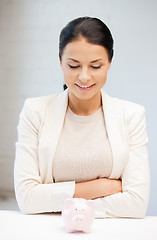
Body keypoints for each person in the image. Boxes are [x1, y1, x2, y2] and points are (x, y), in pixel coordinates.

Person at [14, 16, 150, 218]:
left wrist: (57, 201)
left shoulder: (131, 116)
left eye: (95, 66)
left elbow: (136, 203)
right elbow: (27, 198)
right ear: (60, 61)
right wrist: (103, 186)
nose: (84, 77)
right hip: (49, 232)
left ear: (109, 63)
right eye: (73, 65)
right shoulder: (35, 112)